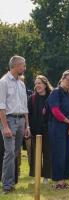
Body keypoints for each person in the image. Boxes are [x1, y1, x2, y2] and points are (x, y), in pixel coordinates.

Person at [0, 55, 30, 193]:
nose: (25, 68)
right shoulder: (3, 82)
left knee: (16, 152)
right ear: (17, 65)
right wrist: (5, 126)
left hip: (21, 121)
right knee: (10, 152)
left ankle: (12, 182)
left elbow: (24, 107)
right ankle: (7, 186)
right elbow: (1, 106)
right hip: (9, 120)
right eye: (23, 65)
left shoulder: (22, 83)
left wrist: (27, 126)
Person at [47, 69, 69, 189]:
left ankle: (63, 181)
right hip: (57, 127)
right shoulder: (55, 93)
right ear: (62, 79)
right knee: (59, 154)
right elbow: (55, 112)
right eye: (68, 80)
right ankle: (58, 182)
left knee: (67, 154)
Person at [28, 75, 53, 184]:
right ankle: (35, 176)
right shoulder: (32, 98)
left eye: (40, 83)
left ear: (45, 84)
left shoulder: (51, 97)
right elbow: (28, 115)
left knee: (47, 153)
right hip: (35, 130)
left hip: (48, 130)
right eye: (36, 83)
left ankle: (46, 177)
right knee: (35, 154)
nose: (37, 85)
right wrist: (28, 128)